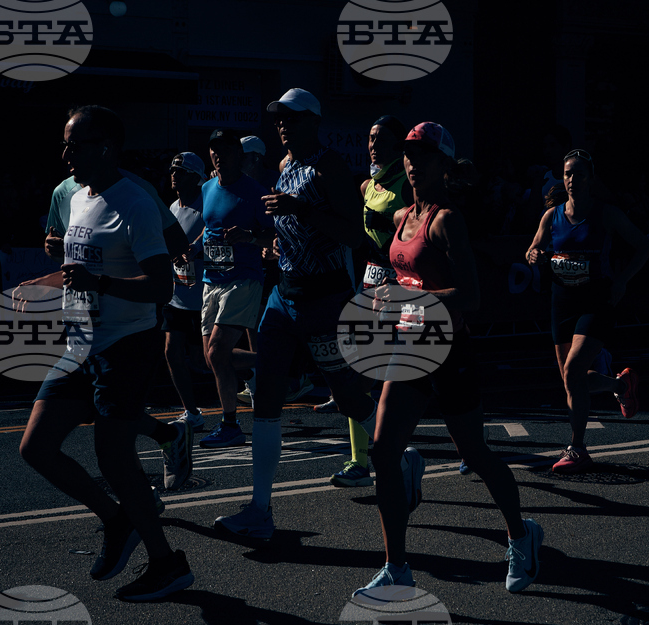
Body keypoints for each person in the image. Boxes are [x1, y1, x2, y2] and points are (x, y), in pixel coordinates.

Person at [355, 122, 543, 596]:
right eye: (409, 154)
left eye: (423, 155)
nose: (412, 163)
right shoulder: (401, 216)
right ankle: (396, 567)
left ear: (445, 165)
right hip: (408, 348)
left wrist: (405, 301)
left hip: (447, 350)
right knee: (381, 451)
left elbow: (473, 297)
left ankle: (521, 536)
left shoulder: (446, 221)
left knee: (474, 454)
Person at [18, 106, 193, 601]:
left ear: (107, 148)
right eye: (65, 145)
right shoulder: (76, 198)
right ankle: (117, 521)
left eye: (75, 145)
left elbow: (160, 286)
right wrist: (42, 284)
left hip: (124, 344)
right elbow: (81, 269)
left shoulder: (134, 203)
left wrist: (102, 282)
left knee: (114, 460)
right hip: (79, 341)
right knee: (36, 447)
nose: (66, 154)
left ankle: (168, 563)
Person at [213, 88, 378, 539]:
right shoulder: (284, 167)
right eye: (278, 119)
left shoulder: (331, 167)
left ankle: (400, 459)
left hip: (325, 298)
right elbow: (288, 231)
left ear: (313, 122)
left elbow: (351, 234)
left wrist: (301, 209)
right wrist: (261, 241)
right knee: (266, 395)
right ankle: (260, 509)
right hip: (283, 295)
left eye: (291, 118)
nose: (282, 126)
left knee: (346, 395)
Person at [526, 149, 649, 474]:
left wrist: (622, 280)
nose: (572, 180)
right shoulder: (551, 215)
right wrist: (535, 255)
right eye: (567, 174)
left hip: (597, 299)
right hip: (562, 301)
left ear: (590, 179)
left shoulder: (605, 213)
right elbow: (533, 248)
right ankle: (621, 386)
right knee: (572, 381)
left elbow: (644, 246)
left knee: (573, 371)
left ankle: (577, 448)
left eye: (579, 174)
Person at [328, 114, 413, 488]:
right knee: (359, 372)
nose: (373, 144)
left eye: (380, 138)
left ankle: (465, 444)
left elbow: (414, 232)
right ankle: (360, 462)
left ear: (398, 145)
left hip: (401, 284)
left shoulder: (406, 184)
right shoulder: (369, 184)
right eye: (369, 137)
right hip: (370, 282)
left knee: (406, 379)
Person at [194, 128, 275, 448]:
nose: (218, 155)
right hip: (211, 280)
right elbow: (209, 227)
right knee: (211, 358)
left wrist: (249, 237)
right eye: (214, 149)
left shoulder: (254, 192)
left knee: (217, 351)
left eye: (225, 150)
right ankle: (269, 361)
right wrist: (193, 246)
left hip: (244, 278)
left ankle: (230, 424)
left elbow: (273, 238)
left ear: (238, 154)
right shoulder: (207, 187)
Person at [164, 152, 207, 431]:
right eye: (172, 171)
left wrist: (195, 247)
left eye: (180, 172)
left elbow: (217, 227)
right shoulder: (171, 208)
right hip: (177, 295)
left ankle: (254, 373)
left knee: (207, 359)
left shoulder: (207, 203)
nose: (174, 176)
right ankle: (191, 412)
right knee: (172, 352)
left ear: (195, 177)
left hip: (204, 294)